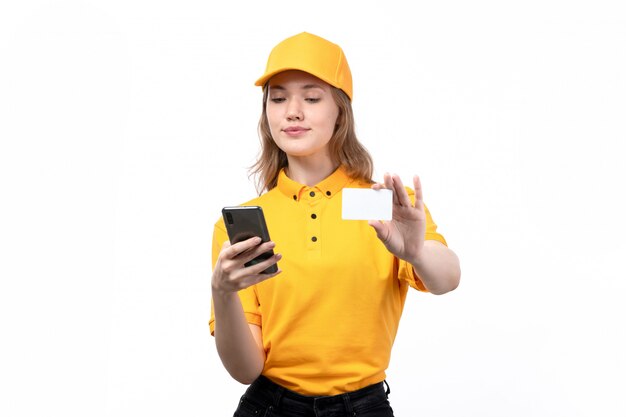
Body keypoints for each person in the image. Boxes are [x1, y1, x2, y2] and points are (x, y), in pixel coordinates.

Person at [210, 32, 461, 417]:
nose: (292, 111)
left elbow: (447, 280)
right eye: (278, 98)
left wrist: (415, 252)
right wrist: (222, 292)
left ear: (340, 110)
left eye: (311, 98)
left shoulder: (384, 204)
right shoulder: (241, 225)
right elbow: (246, 371)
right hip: (269, 406)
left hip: (363, 408)